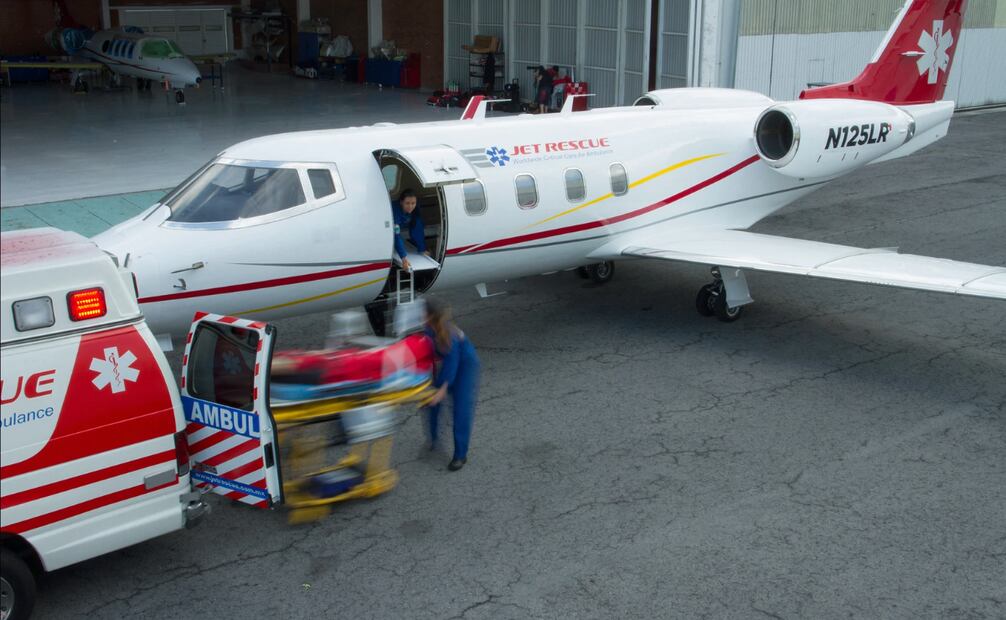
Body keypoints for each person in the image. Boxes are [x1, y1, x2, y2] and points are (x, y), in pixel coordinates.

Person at [424, 298, 480, 471]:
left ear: (429, 316)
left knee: (460, 410)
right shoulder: (428, 329)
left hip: (465, 367)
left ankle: (460, 456)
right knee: (430, 403)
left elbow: (452, 364)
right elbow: (428, 355)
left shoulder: (450, 334)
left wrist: (442, 389)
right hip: (449, 366)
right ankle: (433, 440)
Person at [392, 189, 427, 271]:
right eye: (407, 203)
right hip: (393, 224)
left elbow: (418, 228)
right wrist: (403, 258)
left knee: (417, 222)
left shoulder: (415, 209)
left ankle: (421, 249)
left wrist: (422, 249)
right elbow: (396, 235)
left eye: (413, 203)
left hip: (404, 221)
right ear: (401, 202)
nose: (410, 206)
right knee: (396, 234)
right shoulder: (395, 211)